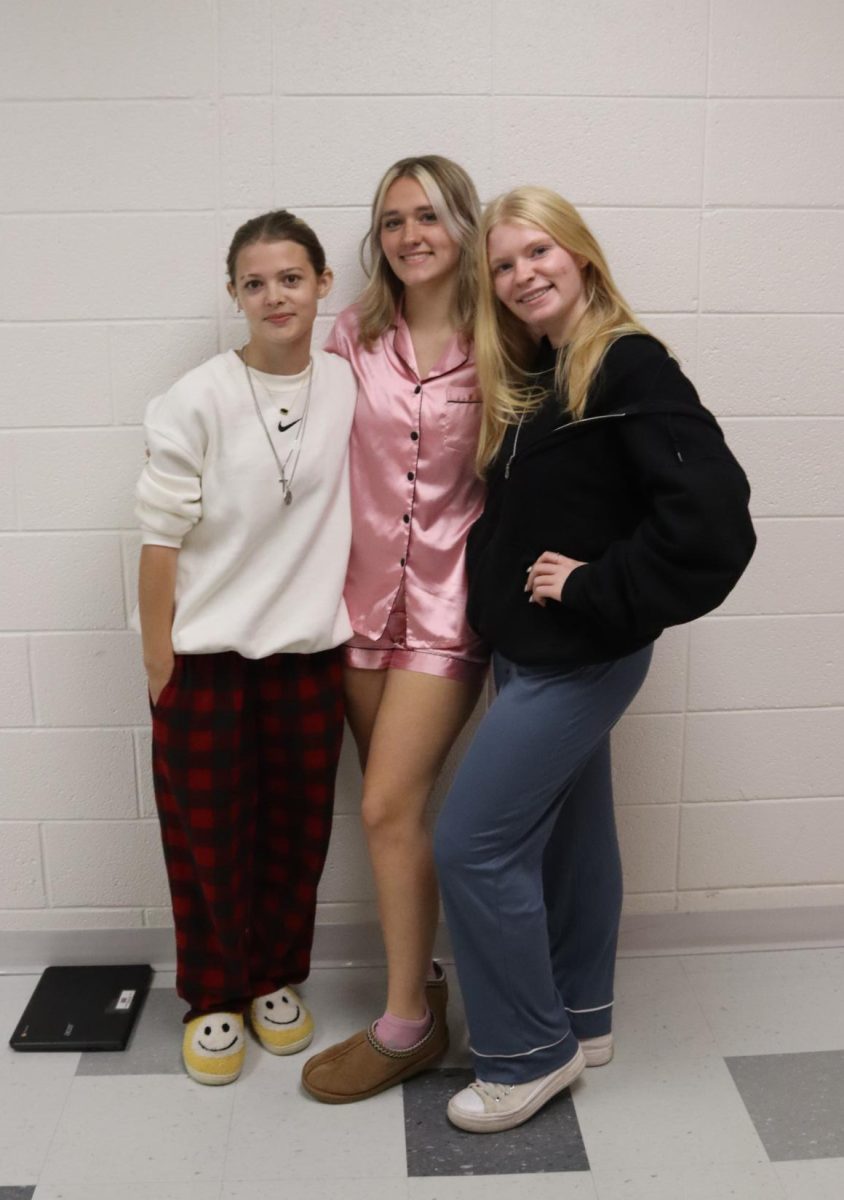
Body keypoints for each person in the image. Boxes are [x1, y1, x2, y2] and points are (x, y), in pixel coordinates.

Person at [433, 186, 756, 1133]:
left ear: (581, 257)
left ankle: (527, 1055)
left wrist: (593, 589)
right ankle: (580, 1017)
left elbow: (714, 525)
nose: (523, 273)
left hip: (581, 656)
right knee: (570, 838)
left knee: (473, 844)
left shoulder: (627, 364)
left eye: (540, 252)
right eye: (503, 263)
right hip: (534, 653)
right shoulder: (548, 370)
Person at [136, 210, 356, 1085]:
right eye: (256, 282)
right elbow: (158, 541)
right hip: (206, 663)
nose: (275, 296)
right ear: (234, 293)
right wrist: (163, 663)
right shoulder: (194, 398)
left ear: (323, 285)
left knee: (296, 834)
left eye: (291, 278)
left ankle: (273, 979)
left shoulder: (347, 385)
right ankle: (213, 995)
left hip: (308, 657)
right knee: (208, 837)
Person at [301, 156, 489, 1104]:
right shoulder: (352, 336)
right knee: (395, 818)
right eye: (391, 221)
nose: (410, 235)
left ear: (463, 222)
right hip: (354, 611)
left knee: (382, 809)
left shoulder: (502, 343)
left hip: (449, 617)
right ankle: (426, 993)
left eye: (428, 216)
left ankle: (404, 1024)